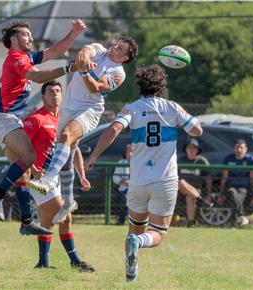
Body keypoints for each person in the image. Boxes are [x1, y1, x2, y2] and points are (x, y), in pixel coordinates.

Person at [84, 64, 203, 282]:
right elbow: (197, 130)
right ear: (162, 86)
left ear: (140, 85)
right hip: (164, 181)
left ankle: (131, 275)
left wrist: (93, 157)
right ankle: (138, 244)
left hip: (138, 182)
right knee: (158, 233)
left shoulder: (132, 108)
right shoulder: (171, 107)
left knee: (134, 229)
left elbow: (113, 129)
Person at [0, 19, 86, 236]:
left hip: (11, 119)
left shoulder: (27, 56)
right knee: (29, 156)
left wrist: (74, 33)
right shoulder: (15, 59)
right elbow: (38, 77)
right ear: (13, 38)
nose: (31, 38)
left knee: (24, 172)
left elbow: (56, 50)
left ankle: (26, 221)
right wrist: (68, 67)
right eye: (26, 34)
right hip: (4, 119)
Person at [29, 36, 139, 225]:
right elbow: (85, 52)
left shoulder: (118, 73)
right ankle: (69, 201)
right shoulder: (99, 47)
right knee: (67, 155)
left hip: (90, 109)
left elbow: (95, 87)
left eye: (122, 49)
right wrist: (85, 56)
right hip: (69, 106)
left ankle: (47, 179)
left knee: (65, 136)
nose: (117, 46)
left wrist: (86, 71)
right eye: (118, 43)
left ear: (125, 59)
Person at [19, 80, 95, 271]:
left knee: (52, 219)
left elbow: (73, 150)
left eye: (58, 91)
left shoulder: (65, 120)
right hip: (39, 177)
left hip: (57, 177)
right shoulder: (36, 119)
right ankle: (75, 261)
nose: (55, 94)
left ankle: (43, 263)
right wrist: (33, 169)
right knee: (63, 214)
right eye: (51, 91)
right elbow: (21, 147)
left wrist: (82, 174)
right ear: (43, 96)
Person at [217, 139, 253, 227]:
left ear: (246, 149)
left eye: (241, 148)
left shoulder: (250, 160)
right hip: (231, 185)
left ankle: (234, 221)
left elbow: (252, 177)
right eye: (237, 147)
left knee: (240, 194)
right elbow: (224, 177)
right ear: (234, 149)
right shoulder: (228, 158)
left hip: (244, 187)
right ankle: (241, 215)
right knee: (232, 193)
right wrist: (220, 193)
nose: (239, 150)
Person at [178, 139, 212, 227]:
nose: (191, 150)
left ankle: (191, 223)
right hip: (179, 188)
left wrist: (208, 195)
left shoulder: (202, 161)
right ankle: (200, 200)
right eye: (189, 148)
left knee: (190, 197)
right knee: (181, 181)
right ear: (185, 149)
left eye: (194, 148)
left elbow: (208, 179)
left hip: (196, 189)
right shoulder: (179, 160)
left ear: (197, 150)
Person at [113, 144, 133, 225]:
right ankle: (121, 221)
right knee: (124, 204)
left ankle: (133, 221)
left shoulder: (139, 164)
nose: (130, 154)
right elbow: (115, 178)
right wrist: (122, 181)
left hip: (135, 189)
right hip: (124, 189)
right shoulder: (121, 163)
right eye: (128, 152)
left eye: (132, 152)